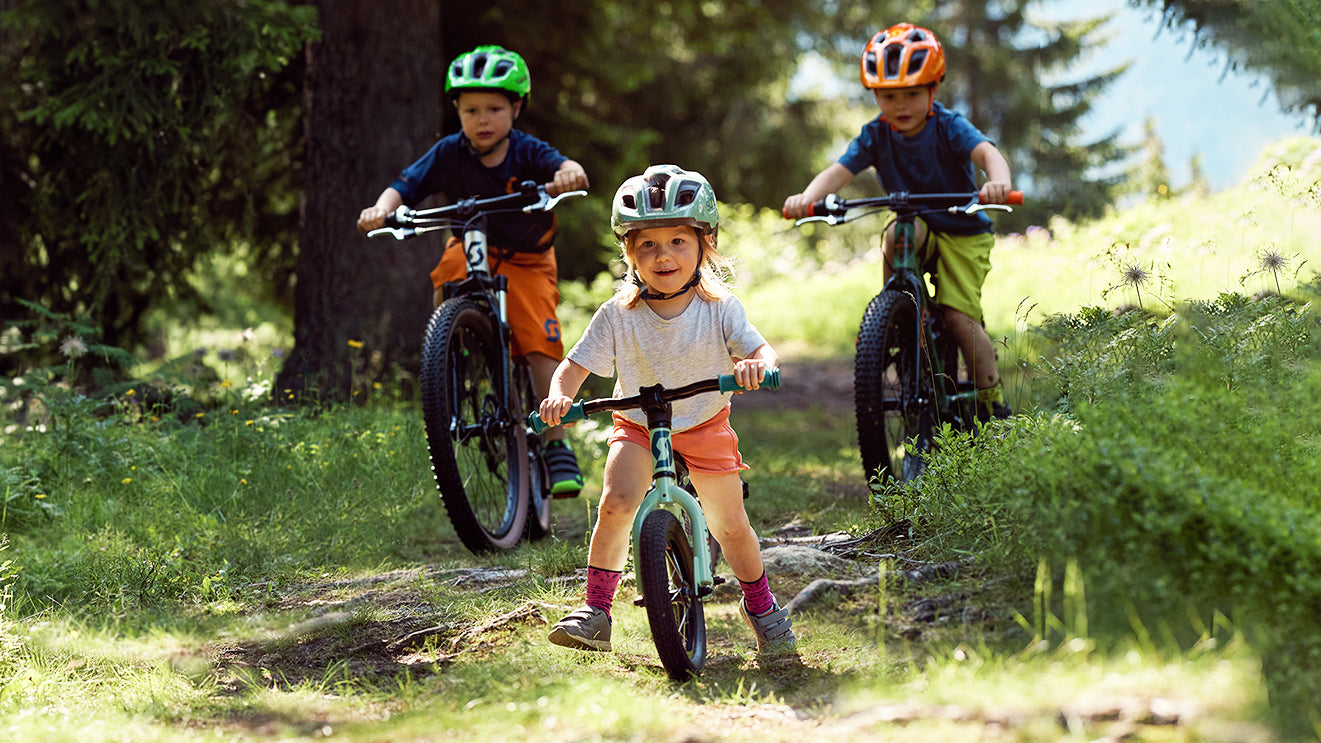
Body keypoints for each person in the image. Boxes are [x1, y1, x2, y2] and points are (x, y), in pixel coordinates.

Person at [539, 165, 796, 656]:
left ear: (705, 243)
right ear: (629, 253)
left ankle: (761, 606)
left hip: (702, 423)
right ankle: (597, 611)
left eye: (678, 241)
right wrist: (560, 394)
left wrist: (755, 368)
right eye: (647, 245)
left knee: (730, 523)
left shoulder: (720, 307)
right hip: (638, 423)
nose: (663, 256)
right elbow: (573, 366)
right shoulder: (619, 312)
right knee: (615, 504)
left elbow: (761, 352)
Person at [357, 45, 590, 495]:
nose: (482, 119)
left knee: (540, 342)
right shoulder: (449, 152)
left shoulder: (526, 150)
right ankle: (455, 347)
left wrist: (569, 174)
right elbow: (406, 184)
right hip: (471, 245)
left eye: (494, 109)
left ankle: (556, 440)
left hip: (526, 260)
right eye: (471, 110)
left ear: (516, 108)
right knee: (447, 273)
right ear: (457, 112)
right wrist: (381, 209)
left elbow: (564, 167)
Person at [782, 23, 1015, 420]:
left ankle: (992, 401)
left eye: (912, 94)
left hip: (963, 227)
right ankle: (900, 312)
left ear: (933, 91)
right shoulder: (875, 135)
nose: (901, 105)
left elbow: (986, 153)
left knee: (959, 316)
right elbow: (839, 172)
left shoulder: (948, 125)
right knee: (895, 233)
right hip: (917, 223)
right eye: (889, 96)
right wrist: (809, 197)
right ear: (875, 95)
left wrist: (999, 182)